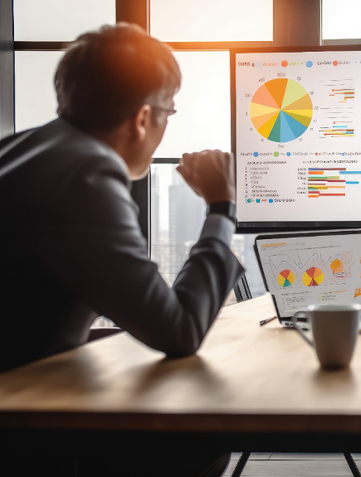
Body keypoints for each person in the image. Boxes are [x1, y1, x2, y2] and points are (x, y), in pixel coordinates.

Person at [0, 24, 243, 477]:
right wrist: (222, 207)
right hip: (19, 436)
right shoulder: (89, 172)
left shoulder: (16, 149)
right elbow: (180, 329)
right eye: (169, 112)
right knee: (201, 439)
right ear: (143, 118)